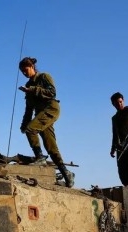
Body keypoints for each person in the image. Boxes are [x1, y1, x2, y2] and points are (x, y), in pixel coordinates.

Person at [18, 57, 74, 188]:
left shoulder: (44, 76)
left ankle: (40, 157)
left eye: (26, 70)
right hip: (40, 114)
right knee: (51, 146)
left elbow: (52, 92)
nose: (24, 73)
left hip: (51, 108)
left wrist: (32, 90)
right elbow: (28, 109)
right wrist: (24, 124)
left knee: (31, 129)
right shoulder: (27, 86)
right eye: (22, 72)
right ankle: (67, 174)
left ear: (32, 66)